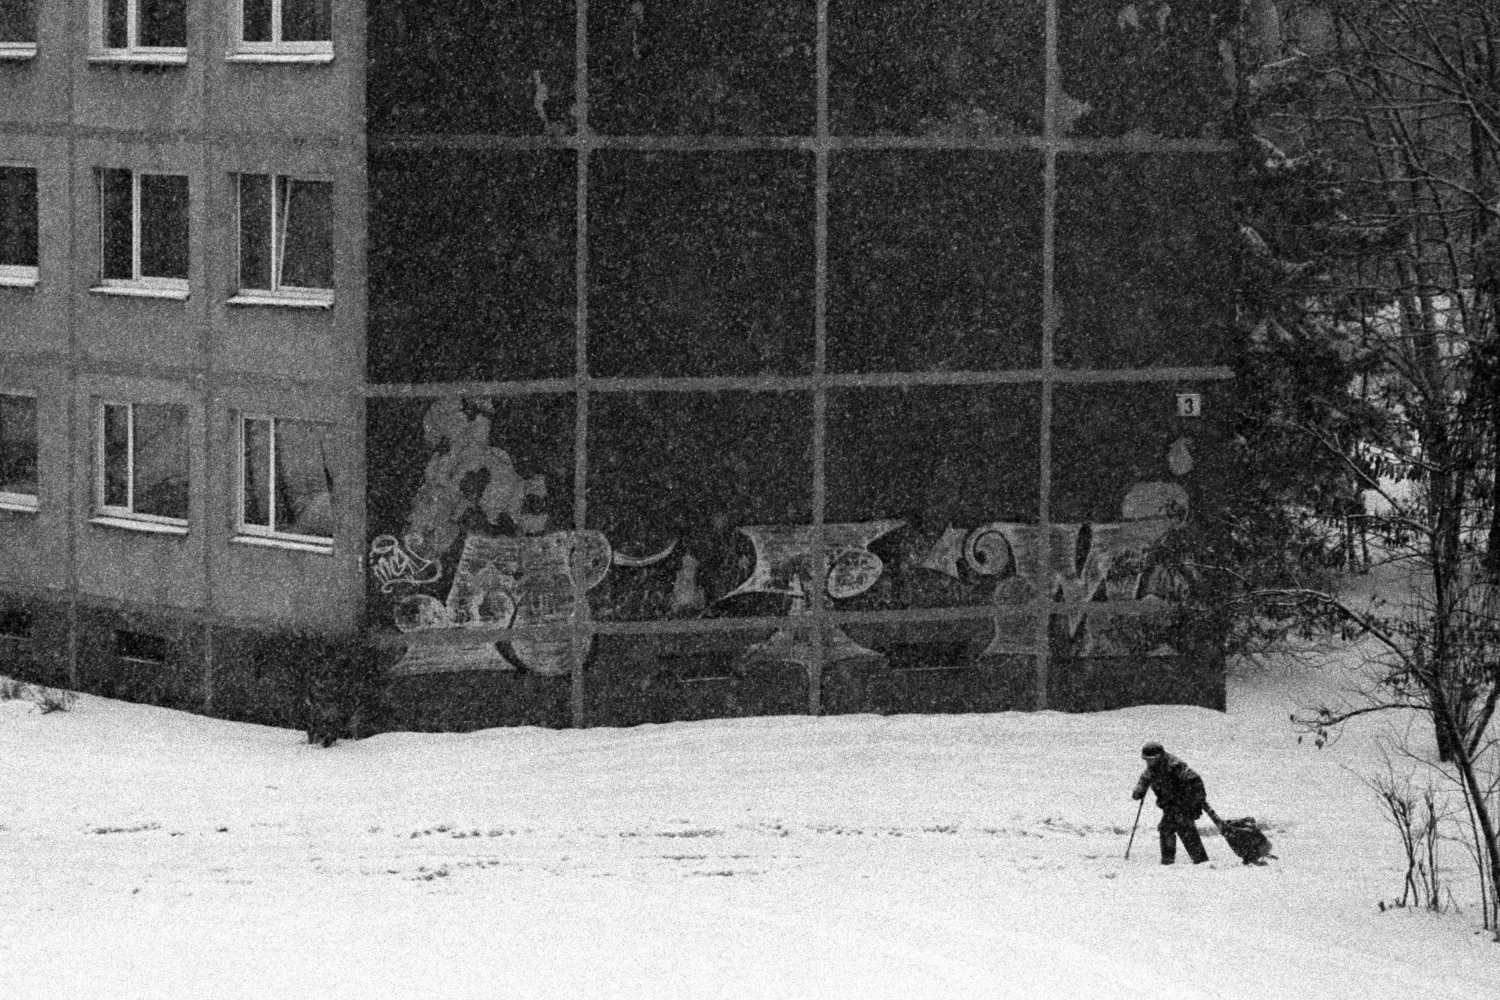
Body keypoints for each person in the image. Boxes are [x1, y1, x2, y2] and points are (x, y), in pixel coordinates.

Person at [1132, 742, 1210, 865]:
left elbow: (1195, 781)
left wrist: (1196, 803)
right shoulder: (1153, 768)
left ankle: (1197, 860)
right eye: (1146, 760)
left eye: (1151, 759)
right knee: (1171, 828)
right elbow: (1145, 778)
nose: (1149, 763)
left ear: (1159, 756)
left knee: (1181, 827)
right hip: (1170, 804)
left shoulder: (1174, 766)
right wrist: (1139, 790)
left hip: (1184, 803)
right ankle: (1183, 860)